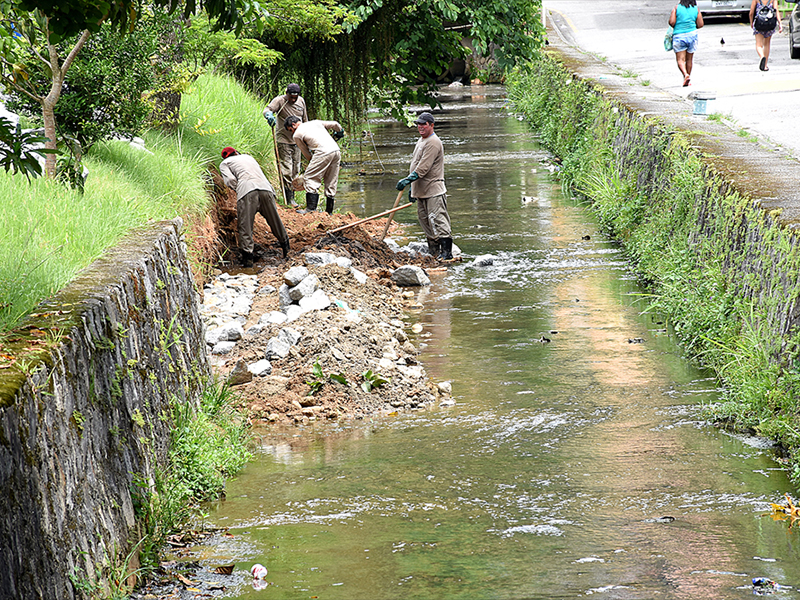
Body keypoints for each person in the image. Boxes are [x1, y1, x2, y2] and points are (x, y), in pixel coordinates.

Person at [395, 112, 453, 260]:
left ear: (431, 125)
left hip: (433, 190)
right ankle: (434, 252)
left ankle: (446, 252)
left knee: (438, 219)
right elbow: (415, 164)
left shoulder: (433, 142)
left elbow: (423, 168)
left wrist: (407, 180)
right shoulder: (421, 140)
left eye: (424, 124)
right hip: (420, 190)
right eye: (418, 124)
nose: (420, 127)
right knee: (425, 220)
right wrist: (412, 188)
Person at [219, 146, 290, 266]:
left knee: (245, 226)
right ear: (236, 153)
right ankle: (287, 250)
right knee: (275, 220)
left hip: (247, 190)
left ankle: (248, 262)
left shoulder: (224, 163)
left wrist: (240, 188)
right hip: (266, 188)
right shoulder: (248, 157)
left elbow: (230, 180)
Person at [284, 116, 344, 215]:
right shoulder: (315, 122)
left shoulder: (297, 135)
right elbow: (335, 124)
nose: (292, 132)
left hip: (322, 152)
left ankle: (311, 209)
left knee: (309, 177)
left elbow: (306, 153)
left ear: (294, 125)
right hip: (336, 150)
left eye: (291, 130)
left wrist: (313, 165)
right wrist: (340, 131)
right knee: (331, 179)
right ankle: (329, 212)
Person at [263, 84, 308, 207]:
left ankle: (292, 194)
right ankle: (289, 199)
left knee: (296, 169)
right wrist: (269, 116)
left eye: (295, 97)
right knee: (286, 169)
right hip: (283, 140)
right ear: (286, 93)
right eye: (291, 96)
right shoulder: (280, 100)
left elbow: (305, 120)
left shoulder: (301, 101)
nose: (293, 100)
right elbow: (267, 110)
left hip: (297, 141)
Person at [669, 0, 704, 87]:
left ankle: (685, 75)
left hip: (679, 35)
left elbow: (672, 22)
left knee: (680, 59)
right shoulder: (696, 9)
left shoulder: (677, 8)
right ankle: (688, 77)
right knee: (689, 60)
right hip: (692, 35)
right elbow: (700, 24)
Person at [750, 0, 782, 71]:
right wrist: (780, 23)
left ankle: (762, 57)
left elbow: (751, 12)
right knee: (767, 44)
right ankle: (765, 65)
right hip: (769, 24)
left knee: (759, 45)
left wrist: (751, 22)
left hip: (759, 23)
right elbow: (776, 10)